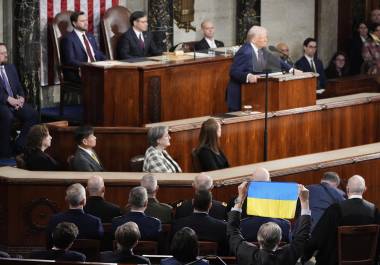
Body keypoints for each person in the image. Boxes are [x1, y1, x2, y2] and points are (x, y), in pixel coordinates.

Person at [228, 181, 311, 265]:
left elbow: (232, 230)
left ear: (258, 237)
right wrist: (305, 202)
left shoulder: (245, 252)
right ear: (279, 240)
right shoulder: (289, 254)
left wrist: (240, 197)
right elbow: (303, 236)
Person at [303, 175, 380, 265]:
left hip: (335, 262)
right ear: (364, 189)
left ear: (347, 189)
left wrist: (305, 256)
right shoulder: (374, 211)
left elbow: (317, 239)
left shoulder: (335, 210)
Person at [226, 26, 292, 111]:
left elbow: (276, 60)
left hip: (252, 95)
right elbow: (233, 72)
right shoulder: (245, 51)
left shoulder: (262, 49)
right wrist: (248, 76)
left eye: (266, 37)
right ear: (253, 40)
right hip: (239, 96)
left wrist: (291, 70)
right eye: (263, 37)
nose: (266, 39)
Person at [0, 43, 38, 158]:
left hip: (15, 102)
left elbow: (19, 86)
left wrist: (21, 98)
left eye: (6, 52)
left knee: (33, 114)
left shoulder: (10, 67)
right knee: (7, 116)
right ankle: (4, 151)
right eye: (2, 53)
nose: (6, 55)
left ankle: (19, 145)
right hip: (1, 103)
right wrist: (8, 99)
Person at [46, 183, 103, 248]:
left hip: (61, 258)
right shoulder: (95, 222)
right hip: (88, 258)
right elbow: (100, 246)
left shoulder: (54, 220)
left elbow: (49, 245)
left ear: (66, 199)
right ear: (84, 201)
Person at [172, 189, 227, 255]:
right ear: (210, 205)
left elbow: (173, 249)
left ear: (192, 202)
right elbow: (225, 251)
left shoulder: (178, 225)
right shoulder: (223, 227)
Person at [60, 11, 106, 83]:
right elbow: (70, 60)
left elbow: (97, 53)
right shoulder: (68, 39)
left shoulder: (90, 36)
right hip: (78, 72)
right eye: (82, 21)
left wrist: (108, 61)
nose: (86, 23)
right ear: (74, 23)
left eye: (86, 20)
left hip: (95, 70)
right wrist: (87, 66)